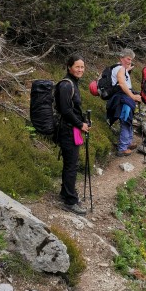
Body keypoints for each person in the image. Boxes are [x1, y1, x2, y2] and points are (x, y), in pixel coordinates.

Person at [54, 54, 90, 215]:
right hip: (67, 129)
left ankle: (65, 193)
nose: (80, 70)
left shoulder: (73, 83)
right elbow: (65, 110)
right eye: (77, 67)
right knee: (71, 165)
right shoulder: (66, 85)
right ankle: (70, 201)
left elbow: (73, 109)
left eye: (82, 67)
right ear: (69, 67)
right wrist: (80, 124)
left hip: (71, 128)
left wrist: (82, 121)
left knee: (71, 163)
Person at [106, 48, 142, 157]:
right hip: (122, 99)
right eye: (128, 59)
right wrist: (133, 96)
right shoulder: (120, 69)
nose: (129, 61)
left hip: (123, 98)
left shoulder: (119, 68)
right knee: (125, 121)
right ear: (121, 58)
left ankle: (128, 142)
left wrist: (128, 69)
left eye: (131, 59)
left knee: (128, 120)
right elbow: (121, 84)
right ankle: (122, 148)